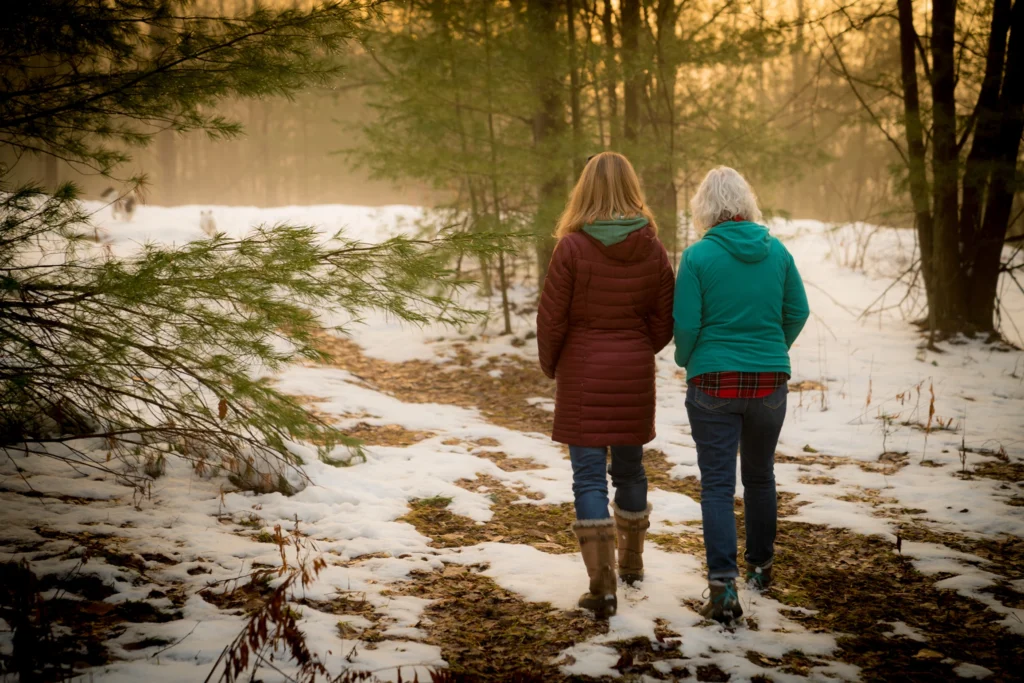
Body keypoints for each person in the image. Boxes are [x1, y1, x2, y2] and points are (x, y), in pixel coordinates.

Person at [536, 151, 675, 618]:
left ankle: (603, 585)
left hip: (583, 371)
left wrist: (554, 364)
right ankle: (632, 564)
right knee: (631, 470)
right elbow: (664, 317)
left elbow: (551, 318)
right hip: (633, 369)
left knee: (589, 476)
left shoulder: (571, 248)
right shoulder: (652, 246)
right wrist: (638, 346)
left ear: (585, 191)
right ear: (632, 189)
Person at [673, 166, 809, 624]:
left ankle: (723, 587)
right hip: (769, 383)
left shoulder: (697, 257)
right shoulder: (779, 253)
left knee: (716, 485)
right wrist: (773, 351)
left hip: (713, 383)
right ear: (746, 202)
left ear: (704, 208)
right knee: (760, 475)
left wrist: (689, 360)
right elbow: (798, 311)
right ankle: (762, 569)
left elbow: (688, 326)